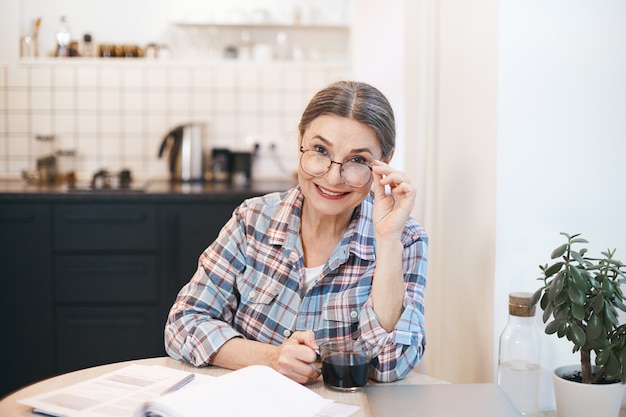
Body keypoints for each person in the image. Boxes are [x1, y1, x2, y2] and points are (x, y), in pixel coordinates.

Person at [164, 80, 428, 384]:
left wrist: (387, 239)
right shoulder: (253, 219)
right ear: (300, 141)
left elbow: (392, 364)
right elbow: (182, 323)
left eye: (358, 160)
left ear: (385, 163)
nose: (332, 177)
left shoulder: (405, 239)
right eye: (319, 150)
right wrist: (271, 359)